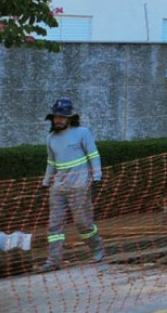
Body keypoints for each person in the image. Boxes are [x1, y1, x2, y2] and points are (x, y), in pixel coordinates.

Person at [40, 98, 103, 272]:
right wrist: (46, 182)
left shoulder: (83, 133)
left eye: (62, 117)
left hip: (80, 185)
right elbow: (51, 162)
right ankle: (53, 261)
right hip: (59, 187)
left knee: (83, 223)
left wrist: (97, 177)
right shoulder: (50, 138)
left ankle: (97, 247)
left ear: (70, 118)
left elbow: (93, 155)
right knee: (55, 225)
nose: (58, 120)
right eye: (56, 117)